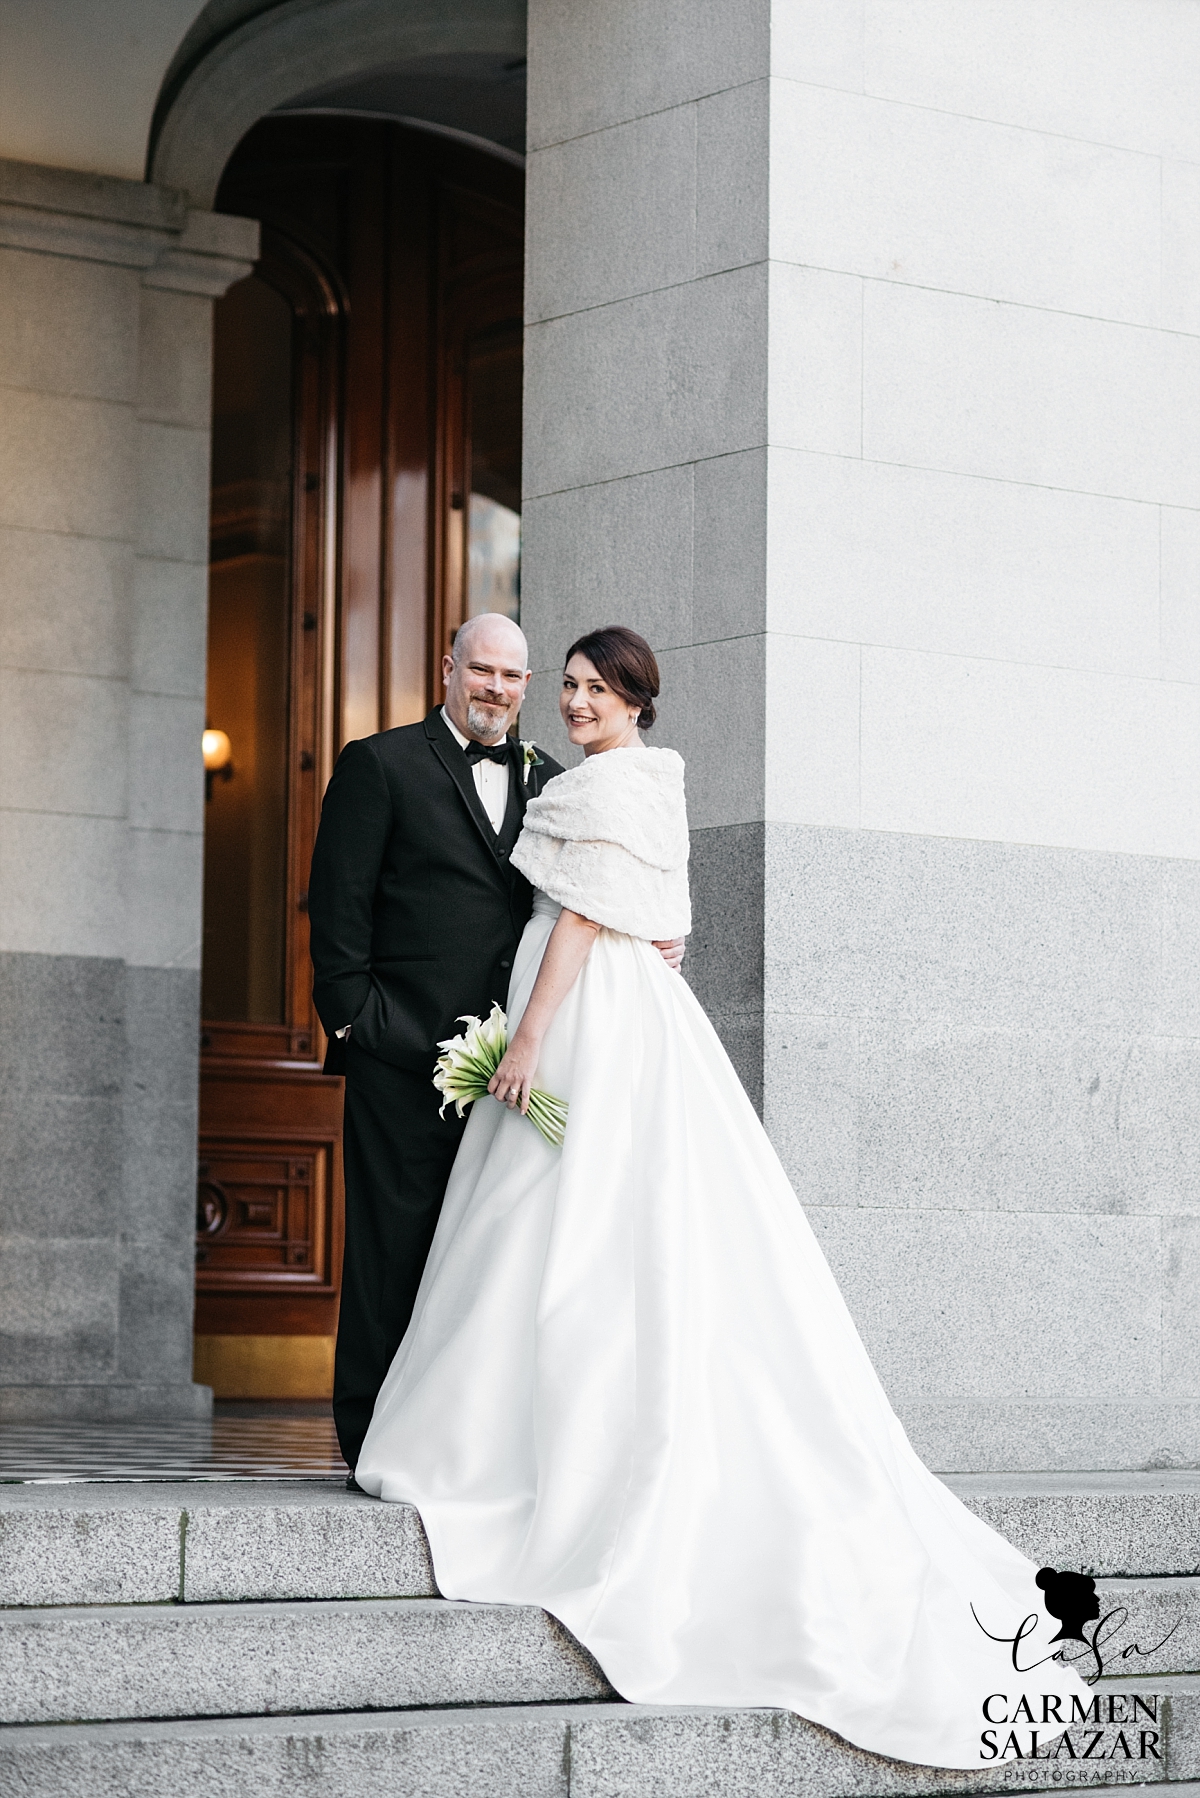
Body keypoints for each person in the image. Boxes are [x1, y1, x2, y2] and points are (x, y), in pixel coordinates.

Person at [354, 625, 1090, 1768]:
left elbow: (590, 919)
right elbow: (673, 923)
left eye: (595, 688)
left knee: (575, 1231)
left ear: (637, 699)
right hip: (633, 1020)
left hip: (584, 1021)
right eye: (570, 686)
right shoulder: (647, 780)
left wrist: (531, 1038)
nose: (573, 701)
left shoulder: (603, 779)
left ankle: (518, 1446)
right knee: (585, 1229)